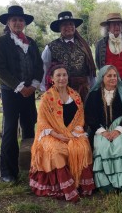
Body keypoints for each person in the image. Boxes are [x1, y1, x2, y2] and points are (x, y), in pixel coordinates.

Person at [29, 64, 95, 202]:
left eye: (64, 75)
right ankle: (64, 189)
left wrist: (75, 133)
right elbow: (42, 122)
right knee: (57, 151)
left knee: (83, 147)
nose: (62, 78)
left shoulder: (75, 96)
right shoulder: (46, 98)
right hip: (50, 134)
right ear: (52, 79)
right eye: (58, 75)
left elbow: (80, 119)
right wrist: (57, 135)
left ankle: (80, 185)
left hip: (72, 133)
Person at [0, 5, 43, 183]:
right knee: (9, 129)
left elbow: (39, 66)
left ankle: (30, 166)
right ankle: (7, 170)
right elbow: (1, 70)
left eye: (20, 20)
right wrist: (19, 87)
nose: (18, 23)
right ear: (8, 22)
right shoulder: (1, 43)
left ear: (24, 23)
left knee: (30, 128)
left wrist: (34, 85)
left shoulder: (31, 42)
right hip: (11, 93)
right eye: (14, 20)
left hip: (29, 92)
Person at [84, 65, 122, 196]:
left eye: (114, 75)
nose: (112, 78)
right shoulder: (93, 95)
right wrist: (102, 132)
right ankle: (108, 185)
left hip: (121, 128)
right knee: (102, 146)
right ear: (102, 78)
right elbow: (89, 116)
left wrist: (118, 130)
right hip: (100, 129)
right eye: (109, 75)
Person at [41, 11, 96, 102]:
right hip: (61, 90)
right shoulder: (51, 47)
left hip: (83, 90)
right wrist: (44, 89)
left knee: (83, 115)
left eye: (71, 24)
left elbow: (90, 70)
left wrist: (93, 88)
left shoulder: (84, 46)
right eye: (64, 25)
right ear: (60, 28)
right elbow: (44, 67)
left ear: (75, 27)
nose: (69, 27)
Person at [95, 13, 122, 103]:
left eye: (118, 24)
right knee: (109, 107)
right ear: (108, 27)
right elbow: (99, 63)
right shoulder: (100, 44)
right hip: (107, 83)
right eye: (113, 24)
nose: (116, 26)